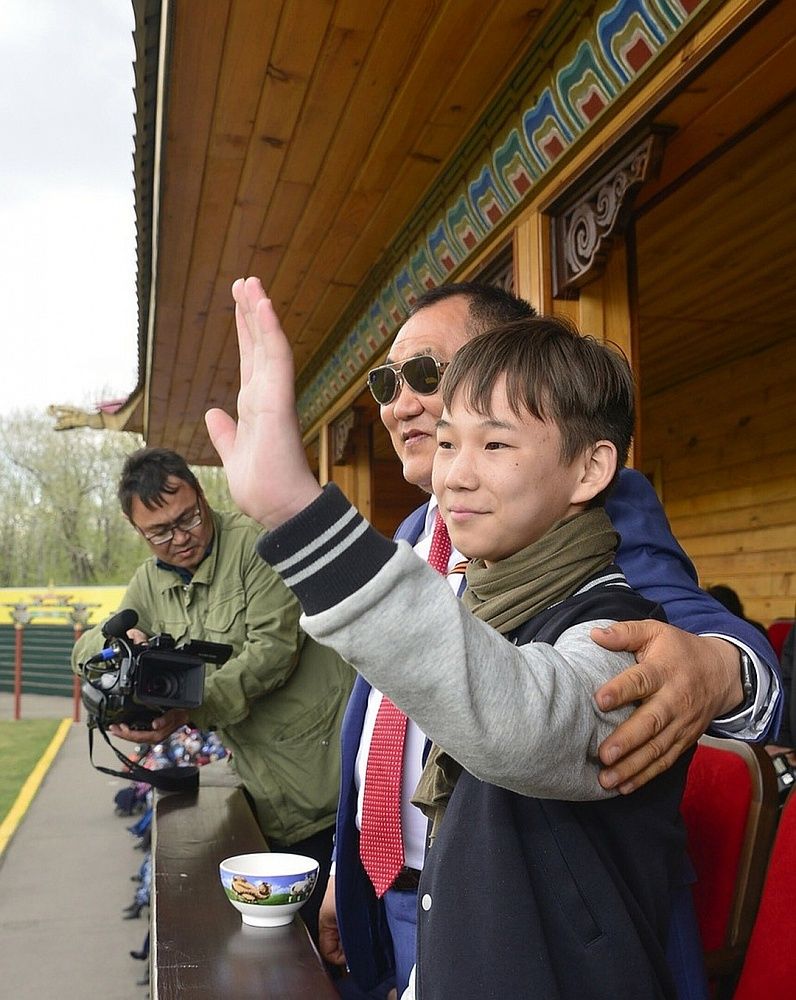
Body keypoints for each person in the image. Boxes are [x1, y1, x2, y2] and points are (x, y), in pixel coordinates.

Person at [205, 281, 703, 997]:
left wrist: (300, 512)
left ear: (589, 469)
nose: (455, 474)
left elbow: (517, 713)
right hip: (427, 909)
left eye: (494, 441)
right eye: (448, 444)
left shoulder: (622, 631)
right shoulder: (422, 545)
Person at [318, 282, 781, 997]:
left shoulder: (598, 509)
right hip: (398, 897)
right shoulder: (411, 536)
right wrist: (350, 872)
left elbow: (682, 629)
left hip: (544, 928)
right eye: (387, 381)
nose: (399, 401)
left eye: (425, 374)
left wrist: (723, 668)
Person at [72, 447, 354, 943]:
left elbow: (272, 654)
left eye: (189, 518)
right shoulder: (148, 583)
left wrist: (183, 710)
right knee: (294, 945)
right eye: (160, 532)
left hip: (330, 783)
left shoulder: (258, 546)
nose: (180, 539)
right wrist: (119, 647)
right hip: (264, 795)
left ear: (203, 495)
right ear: (136, 529)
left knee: (350, 944)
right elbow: (86, 651)